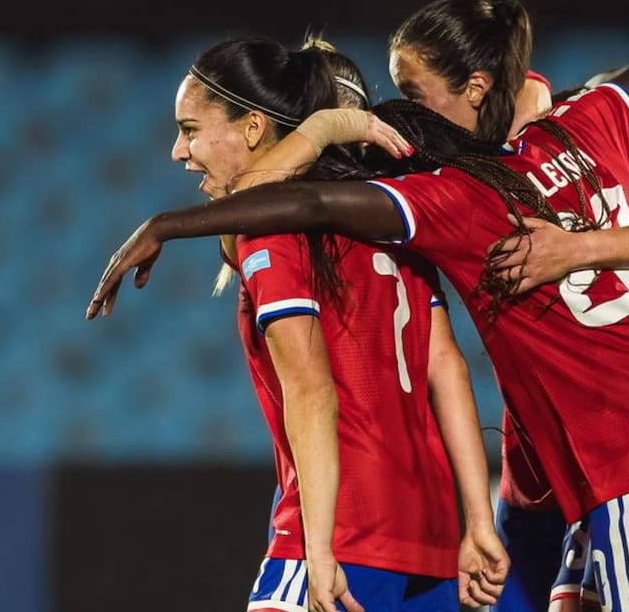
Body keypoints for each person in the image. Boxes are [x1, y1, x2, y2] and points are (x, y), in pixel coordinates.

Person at [89, 0, 629, 612]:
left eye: (414, 91)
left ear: (475, 87)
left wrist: (172, 222)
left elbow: (308, 214)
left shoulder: (455, 201)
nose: (406, 109)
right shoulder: (588, 122)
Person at [165, 35, 507, 612]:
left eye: (190, 128)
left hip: (337, 538)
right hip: (427, 545)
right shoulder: (392, 222)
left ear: (253, 129)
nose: (179, 150)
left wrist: (317, 549)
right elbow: (446, 368)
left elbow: (311, 390)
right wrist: (477, 520)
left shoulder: (271, 231)